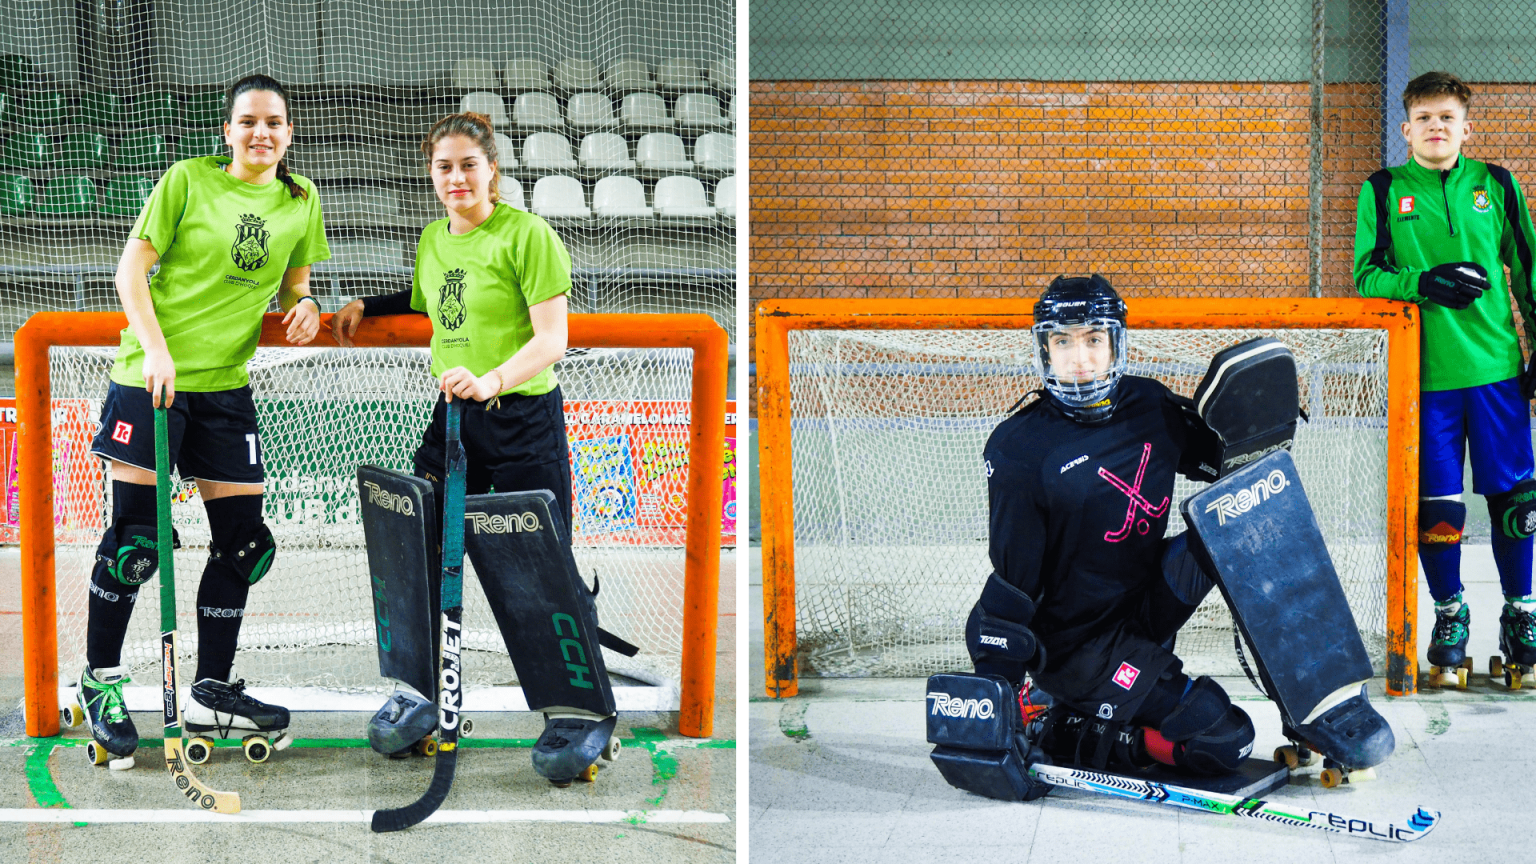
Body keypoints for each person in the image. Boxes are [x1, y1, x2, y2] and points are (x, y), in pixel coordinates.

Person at [333, 112, 619, 784]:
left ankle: (579, 713)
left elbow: (551, 340)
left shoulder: (528, 236)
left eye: (468, 165)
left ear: (493, 168)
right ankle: (418, 693)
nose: (456, 178)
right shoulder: (434, 239)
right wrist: (364, 303)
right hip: (455, 420)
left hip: (521, 419)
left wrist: (490, 378)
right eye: (444, 167)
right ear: (431, 174)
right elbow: (428, 300)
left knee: (539, 569)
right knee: (418, 552)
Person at [77, 74, 329, 767]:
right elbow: (133, 269)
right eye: (248, 121)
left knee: (246, 545)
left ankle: (210, 690)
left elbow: (295, 284)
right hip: (149, 378)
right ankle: (99, 681)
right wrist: (155, 350)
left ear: (289, 132)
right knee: (136, 543)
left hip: (225, 388)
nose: (261, 133)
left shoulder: (301, 201)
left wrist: (305, 304)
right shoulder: (187, 181)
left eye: (274, 122)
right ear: (227, 131)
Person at [970, 274, 1258, 777]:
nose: (1079, 358)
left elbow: (1221, 461)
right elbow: (1011, 592)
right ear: (1044, 349)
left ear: (1116, 344)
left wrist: (1258, 426)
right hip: (1082, 648)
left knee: (1230, 520)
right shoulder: (1019, 449)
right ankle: (1058, 719)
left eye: (1093, 339)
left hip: (1143, 604)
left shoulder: (1150, 406)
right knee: (1225, 740)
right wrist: (994, 704)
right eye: (1062, 341)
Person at [1353, 71, 1536, 686]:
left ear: (1466, 127)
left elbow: (1529, 272)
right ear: (1407, 130)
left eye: (1448, 117)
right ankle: (1450, 614)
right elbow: (1365, 277)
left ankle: (1521, 615)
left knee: (1514, 496)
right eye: (1425, 117)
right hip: (1422, 378)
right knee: (1437, 503)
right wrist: (1420, 283)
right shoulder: (1382, 191)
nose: (1437, 127)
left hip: (1495, 372)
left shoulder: (1498, 186)